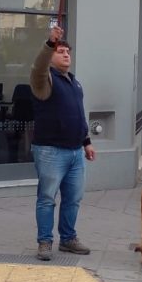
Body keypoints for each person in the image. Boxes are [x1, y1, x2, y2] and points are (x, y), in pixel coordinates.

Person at [29, 24, 95, 261]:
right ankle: (45, 242)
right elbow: (38, 67)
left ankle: (67, 239)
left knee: (73, 199)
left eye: (68, 51)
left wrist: (86, 141)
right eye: (60, 51)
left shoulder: (74, 82)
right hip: (50, 151)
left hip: (75, 152)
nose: (66, 54)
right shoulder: (44, 80)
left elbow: (79, 113)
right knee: (47, 198)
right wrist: (49, 43)